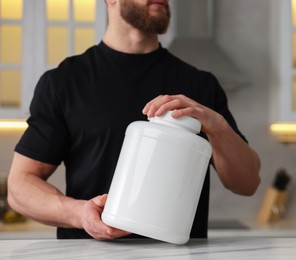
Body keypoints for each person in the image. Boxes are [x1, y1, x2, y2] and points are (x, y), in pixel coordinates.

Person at [7, 0, 261, 240]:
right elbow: (20, 189)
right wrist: (79, 214)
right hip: (90, 253)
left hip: (178, 254)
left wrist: (218, 127)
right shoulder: (64, 82)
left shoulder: (200, 85)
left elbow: (247, 183)